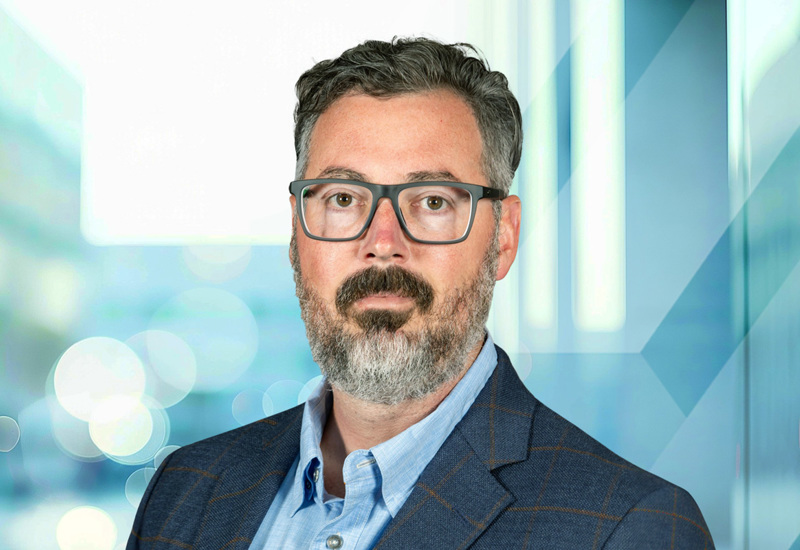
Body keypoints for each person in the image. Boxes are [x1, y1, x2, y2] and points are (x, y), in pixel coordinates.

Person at [128, 37, 714, 549]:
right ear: (295, 233)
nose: (383, 244)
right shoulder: (185, 492)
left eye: (433, 201)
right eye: (342, 199)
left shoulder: (629, 528)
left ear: (503, 238)